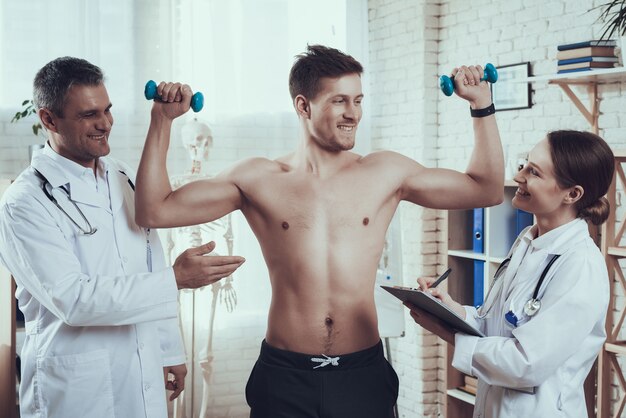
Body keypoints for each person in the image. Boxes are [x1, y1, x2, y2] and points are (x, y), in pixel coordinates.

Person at [134, 44, 504, 417]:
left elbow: (485, 189)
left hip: (362, 373)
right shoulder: (259, 178)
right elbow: (155, 209)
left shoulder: (384, 173)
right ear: (302, 106)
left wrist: (481, 106)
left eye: (358, 100)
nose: (353, 114)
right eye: (340, 101)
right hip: (285, 376)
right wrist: (162, 121)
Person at [0, 57, 245, 418]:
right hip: (77, 387)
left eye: (108, 110)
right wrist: (176, 280)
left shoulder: (124, 177)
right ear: (49, 119)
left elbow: (149, 262)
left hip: (141, 368)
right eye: (88, 115)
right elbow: (74, 299)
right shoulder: (25, 201)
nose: (105, 124)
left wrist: (169, 350)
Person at [407, 130, 614, 417]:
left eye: (534, 172)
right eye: (524, 165)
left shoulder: (580, 266)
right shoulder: (527, 243)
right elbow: (498, 324)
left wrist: (447, 333)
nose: (518, 177)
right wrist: (449, 309)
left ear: (573, 194)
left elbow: (525, 362)